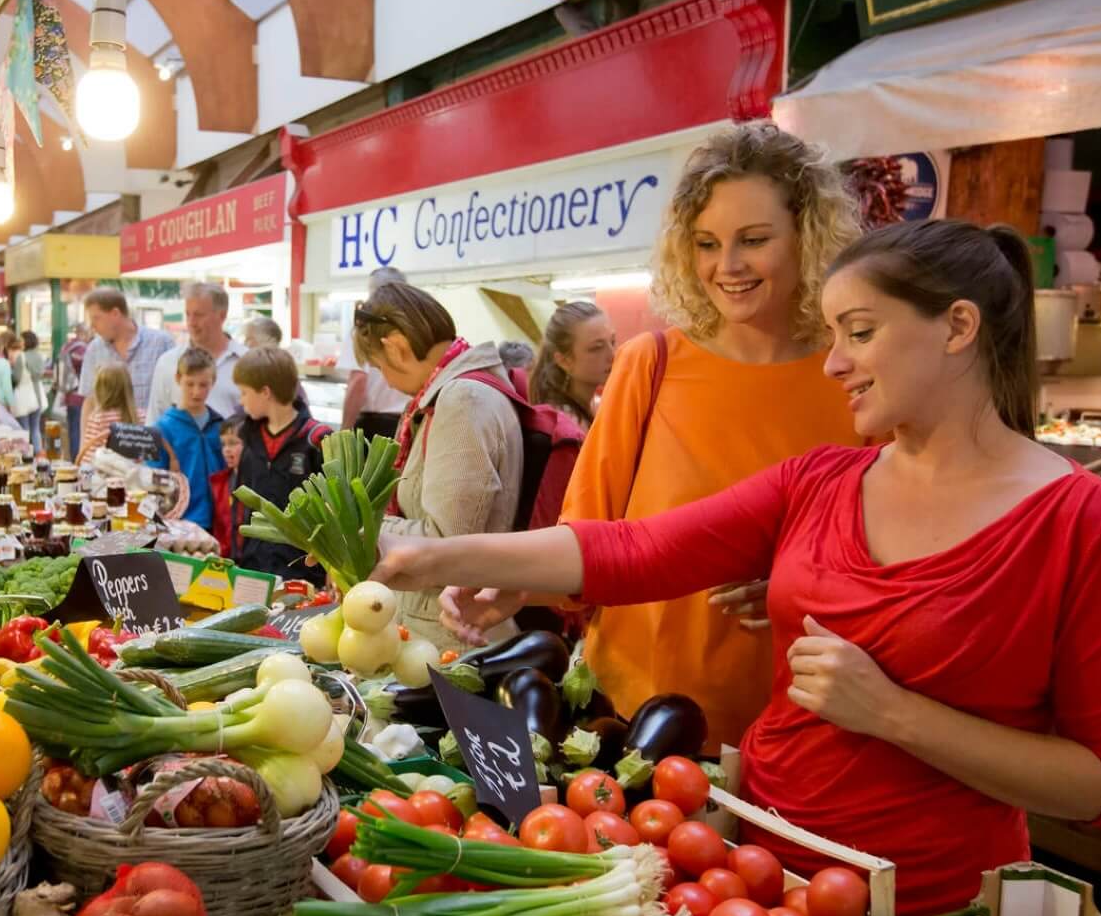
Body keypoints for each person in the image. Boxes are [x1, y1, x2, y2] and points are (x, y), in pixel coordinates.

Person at [371, 218, 1101, 916]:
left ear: (957, 327)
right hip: (751, 867)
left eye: (859, 332)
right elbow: (637, 547)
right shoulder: (819, 480)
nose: (833, 364)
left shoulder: (1087, 525)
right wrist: (432, 555)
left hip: (930, 907)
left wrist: (894, 713)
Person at [558, 121, 866, 748]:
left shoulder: (855, 379)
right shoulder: (652, 363)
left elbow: (885, 562)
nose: (726, 267)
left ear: (806, 238)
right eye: (705, 243)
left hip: (795, 729)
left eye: (753, 240)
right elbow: (583, 538)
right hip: (630, 711)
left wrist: (801, 583)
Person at [356, 282, 522, 646]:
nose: (385, 379)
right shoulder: (450, 395)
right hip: (434, 632)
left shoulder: (462, 400)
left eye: (380, 366)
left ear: (396, 347)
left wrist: (357, 530)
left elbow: (448, 543)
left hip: (448, 638)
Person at [231, 348, 331, 586]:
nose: (240, 400)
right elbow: (240, 505)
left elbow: (331, 512)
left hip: (302, 572)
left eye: (244, 392)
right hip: (253, 567)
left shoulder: (316, 440)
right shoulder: (248, 437)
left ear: (265, 392)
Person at [79, 288, 173, 440]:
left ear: (115, 314)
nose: (92, 326)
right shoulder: (95, 349)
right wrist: (84, 445)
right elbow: (90, 400)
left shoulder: (161, 343)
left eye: (96, 318)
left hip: (153, 445)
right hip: (105, 451)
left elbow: (173, 397)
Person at [146, 283, 245, 424]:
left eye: (199, 315)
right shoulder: (168, 362)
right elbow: (154, 420)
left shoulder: (246, 361)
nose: (191, 322)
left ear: (222, 315)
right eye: (188, 314)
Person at [152, 348, 225, 530]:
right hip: (180, 524)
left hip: (220, 523)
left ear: (213, 382)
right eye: (190, 384)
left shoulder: (220, 426)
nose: (196, 392)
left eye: (203, 385)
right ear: (178, 378)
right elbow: (153, 481)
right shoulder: (163, 429)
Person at [340, 266, 413, 438]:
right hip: (410, 422)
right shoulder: (414, 326)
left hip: (376, 426)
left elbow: (358, 381)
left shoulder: (365, 326)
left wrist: (344, 430)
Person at [527, 301, 616, 430]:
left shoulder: (597, 405)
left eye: (613, 341)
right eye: (596, 348)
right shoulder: (566, 425)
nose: (613, 355)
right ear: (564, 361)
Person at [78, 361, 138, 466]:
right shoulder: (140, 416)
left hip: (103, 480)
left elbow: (87, 460)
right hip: (134, 479)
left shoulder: (98, 419)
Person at [209, 415, 245, 555]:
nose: (226, 449)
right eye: (223, 444)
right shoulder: (219, 483)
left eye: (233, 443)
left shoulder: (260, 483)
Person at [9, 331, 47, 447]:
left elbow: (17, 378)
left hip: (24, 396)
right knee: (35, 429)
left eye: (22, 340)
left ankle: (26, 455)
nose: (20, 342)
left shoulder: (22, 357)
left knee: (24, 429)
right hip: (38, 395)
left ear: (26, 341)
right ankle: (38, 453)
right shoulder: (40, 356)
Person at [60, 324, 90, 459]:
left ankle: (71, 457)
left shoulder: (66, 347)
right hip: (79, 395)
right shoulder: (82, 349)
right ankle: (77, 459)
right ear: (84, 333)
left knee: (71, 429)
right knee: (78, 430)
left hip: (68, 394)